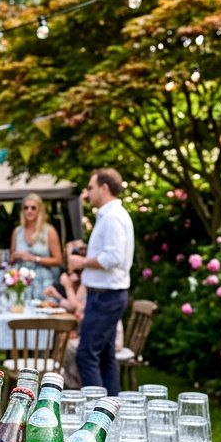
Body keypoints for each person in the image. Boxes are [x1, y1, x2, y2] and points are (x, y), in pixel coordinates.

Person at [69, 168, 135, 396]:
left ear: (104, 188)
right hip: (106, 294)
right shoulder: (109, 216)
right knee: (106, 356)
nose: (87, 193)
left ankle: (95, 414)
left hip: (106, 296)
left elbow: (113, 257)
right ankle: (111, 411)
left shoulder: (113, 217)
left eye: (90, 187)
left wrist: (81, 261)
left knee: (86, 355)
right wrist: (87, 252)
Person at [10, 193, 63, 300]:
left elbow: (58, 260)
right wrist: (15, 256)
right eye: (26, 208)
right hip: (22, 281)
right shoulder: (17, 231)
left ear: (39, 210)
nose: (29, 211)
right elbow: (11, 259)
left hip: (44, 281)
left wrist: (34, 258)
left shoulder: (49, 231)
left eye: (33, 208)